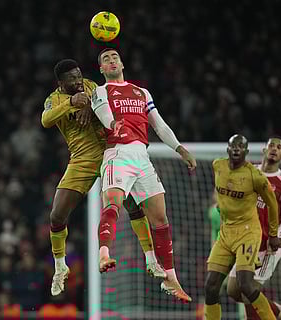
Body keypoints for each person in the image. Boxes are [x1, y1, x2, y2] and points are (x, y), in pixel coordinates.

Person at [41, 59, 164, 296]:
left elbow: (105, 101)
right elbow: (45, 120)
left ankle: (151, 260)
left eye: (78, 76)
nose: (78, 81)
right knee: (57, 215)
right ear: (60, 83)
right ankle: (60, 268)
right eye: (72, 79)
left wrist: (89, 106)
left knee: (133, 206)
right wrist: (71, 103)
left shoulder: (89, 86)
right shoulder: (54, 99)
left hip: (110, 151)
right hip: (82, 159)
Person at [90, 48, 196, 302]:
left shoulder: (141, 92)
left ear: (122, 63)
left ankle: (170, 278)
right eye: (106, 59)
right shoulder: (100, 91)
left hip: (142, 157)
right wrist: (112, 123)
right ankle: (104, 253)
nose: (111, 60)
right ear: (101, 69)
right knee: (112, 204)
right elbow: (104, 113)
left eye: (115, 56)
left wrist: (180, 148)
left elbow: (158, 124)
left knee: (160, 219)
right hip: (118, 154)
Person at [204, 134, 281, 320]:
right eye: (233, 146)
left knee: (245, 284)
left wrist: (273, 234)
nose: (236, 149)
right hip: (226, 233)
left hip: (248, 232)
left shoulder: (256, 176)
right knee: (211, 286)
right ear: (228, 149)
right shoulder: (218, 166)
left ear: (246, 152)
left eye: (241, 147)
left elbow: (272, 204)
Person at [226, 136, 281, 320]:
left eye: (279, 147)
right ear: (264, 150)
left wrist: (277, 235)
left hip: (268, 248)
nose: (274, 149)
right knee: (233, 290)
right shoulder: (248, 172)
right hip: (247, 244)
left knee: (249, 289)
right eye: (271, 145)